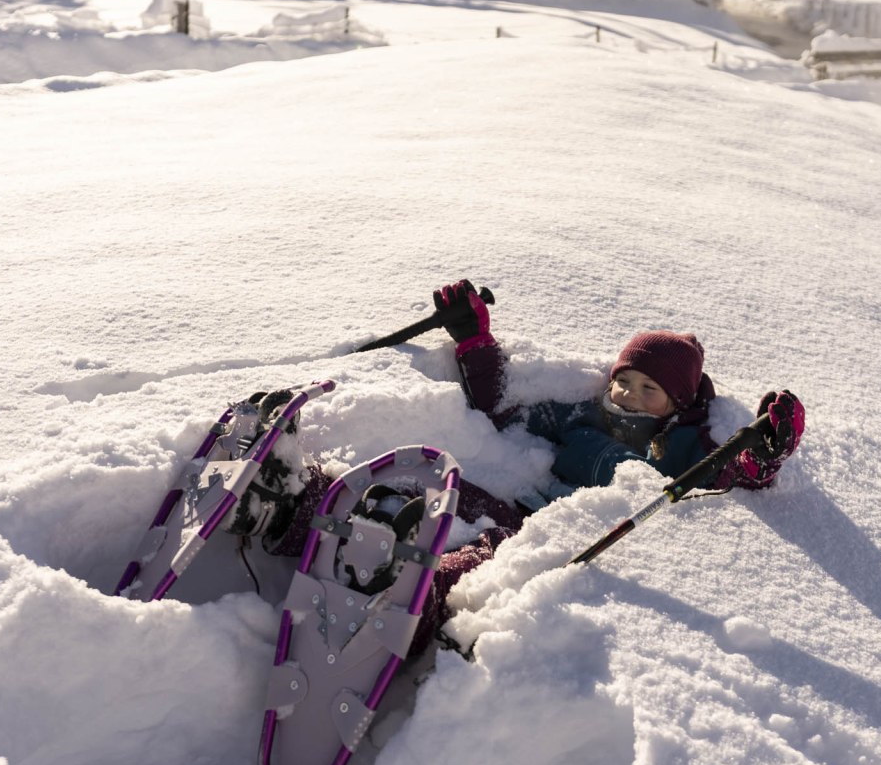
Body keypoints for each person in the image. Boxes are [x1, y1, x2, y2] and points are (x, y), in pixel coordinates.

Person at [256, 279, 805, 654]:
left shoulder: (676, 450)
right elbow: (504, 408)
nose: (630, 395)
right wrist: (474, 340)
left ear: (678, 404)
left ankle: (406, 608)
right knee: (435, 495)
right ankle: (293, 499)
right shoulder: (580, 417)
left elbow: (729, 479)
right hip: (518, 510)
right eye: (624, 380)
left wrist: (768, 449)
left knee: (480, 561)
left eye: (649, 389)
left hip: (561, 543)